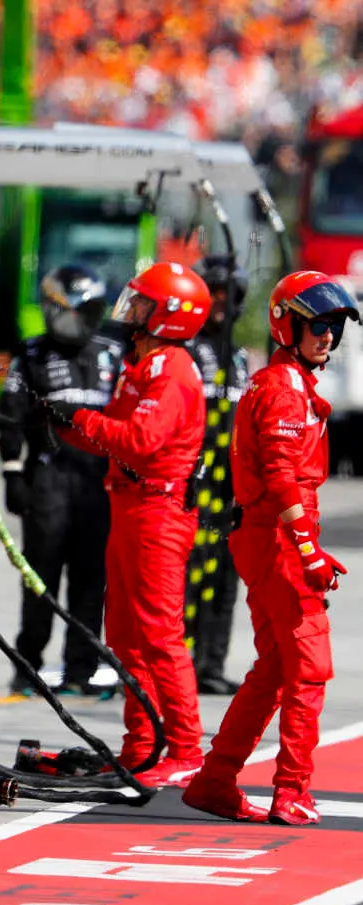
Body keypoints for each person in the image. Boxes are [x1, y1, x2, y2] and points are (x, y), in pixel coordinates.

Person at [184, 271, 355, 826]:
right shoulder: (282, 388)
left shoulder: (285, 383)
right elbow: (282, 476)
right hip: (280, 537)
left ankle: (215, 780)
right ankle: (292, 790)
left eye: (334, 327)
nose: (328, 336)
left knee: (276, 668)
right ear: (289, 324)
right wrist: (307, 550)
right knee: (310, 668)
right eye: (319, 325)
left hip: (266, 536)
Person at [50, 261, 211, 786]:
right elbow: (110, 433)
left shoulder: (173, 370)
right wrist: (60, 425)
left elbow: (141, 441)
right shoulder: (143, 363)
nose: (130, 311)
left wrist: (81, 419)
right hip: (129, 507)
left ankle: (186, 747)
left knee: (159, 634)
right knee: (124, 635)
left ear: (169, 315)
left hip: (158, 512)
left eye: (142, 304)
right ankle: (142, 743)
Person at [0, 264, 116, 696]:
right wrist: (12, 471)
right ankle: (27, 667)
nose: (80, 321)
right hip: (47, 479)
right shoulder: (31, 355)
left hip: (98, 484)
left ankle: (80, 670)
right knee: (39, 578)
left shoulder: (112, 353)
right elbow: (9, 417)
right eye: (72, 312)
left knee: (90, 580)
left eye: (90, 312)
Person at [187, 255, 253, 696]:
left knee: (225, 578)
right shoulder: (188, 351)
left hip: (232, 486)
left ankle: (211, 662)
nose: (224, 303)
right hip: (194, 482)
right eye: (217, 294)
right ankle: (182, 661)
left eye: (232, 295)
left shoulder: (242, 356)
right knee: (189, 571)